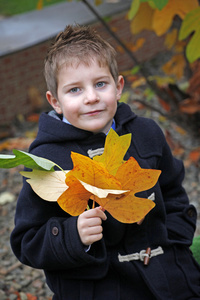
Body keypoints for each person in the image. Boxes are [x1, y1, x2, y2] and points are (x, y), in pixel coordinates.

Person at [10, 24, 200, 300]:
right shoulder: (47, 160)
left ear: (118, 86)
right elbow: (27, 240)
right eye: (75, 90)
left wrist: (172, 237)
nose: (91, 97)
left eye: (100, 84)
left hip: (168, 275)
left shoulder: (145, 134)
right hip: (100, 287)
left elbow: (173, 193)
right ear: (55, 101)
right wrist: (72, 235)